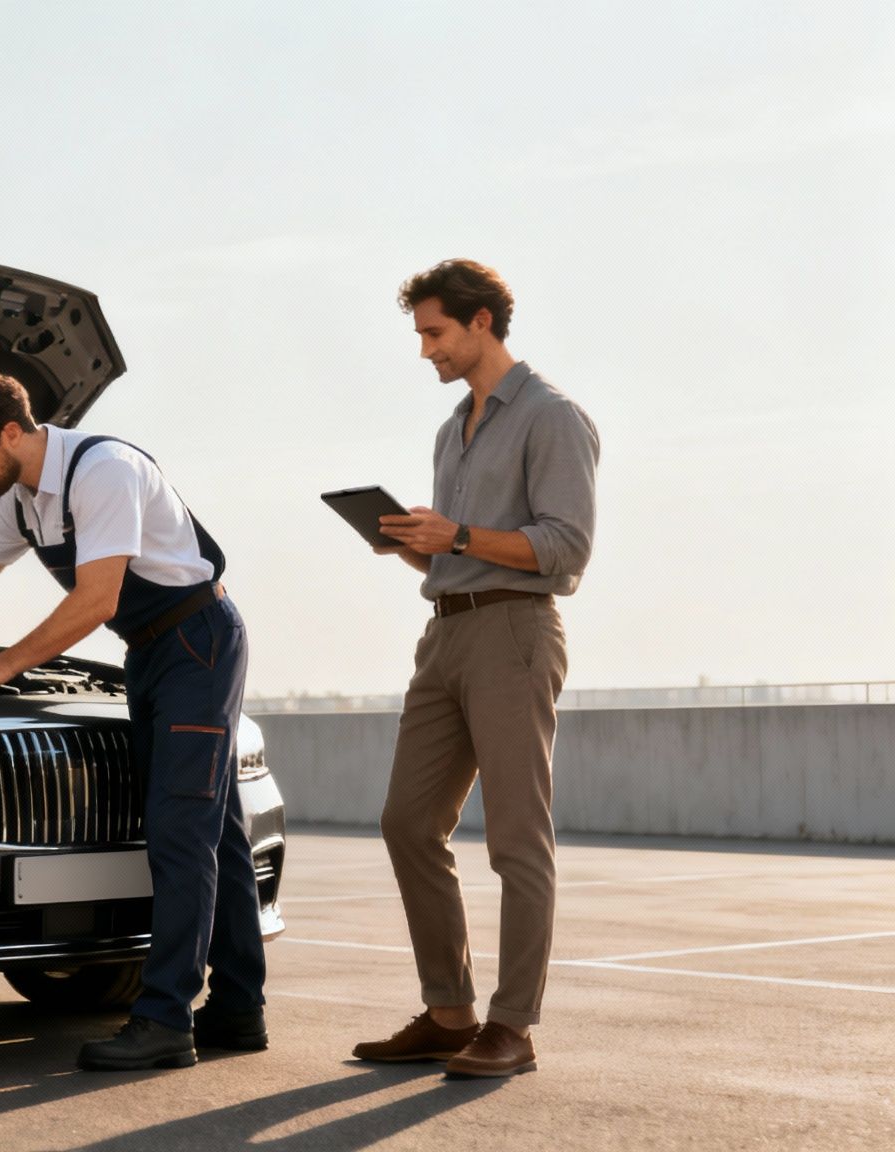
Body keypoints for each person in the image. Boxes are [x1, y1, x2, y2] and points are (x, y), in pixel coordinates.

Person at [0, 369, 264, 1072]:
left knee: (180, 830)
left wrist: (4, 664)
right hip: (153, 652)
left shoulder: (104, 470)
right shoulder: (21, 498)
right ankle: (240, 1011)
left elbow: (98, 598)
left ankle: (163, 1021)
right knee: (214, 832)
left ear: (12, 432)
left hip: (197, 642)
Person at [357, 260, 600, 1079]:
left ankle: (513, 1026)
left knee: (516, 840)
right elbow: (456, 549)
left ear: (483, 323)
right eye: (422, 334)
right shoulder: (450, 429)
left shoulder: (552, 417)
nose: (426, 350)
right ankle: (451, 1010)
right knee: (406, 822)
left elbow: (565, 551)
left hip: (514, 634)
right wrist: (415, 543)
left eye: (435, 332)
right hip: (446, 633)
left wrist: (456, 535)